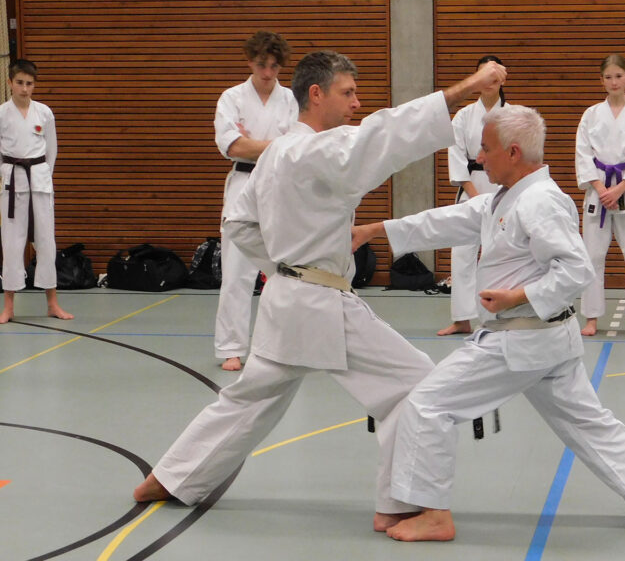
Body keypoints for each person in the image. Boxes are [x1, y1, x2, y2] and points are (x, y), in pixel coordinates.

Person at [133, 51, 508, 533]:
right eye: (347, 92)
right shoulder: (314, 150)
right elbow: (388, 133)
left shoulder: (274, 154)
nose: (356, 102)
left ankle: (168, 478)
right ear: (316, 94)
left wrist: (287, 265)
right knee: (416, 384)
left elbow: (239, 224)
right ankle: (397, 503)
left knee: (250, 399)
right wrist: (466, 88)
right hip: (320, 303)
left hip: (287, 299)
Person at [352, 105, 625, 542]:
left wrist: (517, 296)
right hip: (549, 339)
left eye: (486, 149)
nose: (479, 157)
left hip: (523, 338)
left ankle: (435, 514)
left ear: (513, 152)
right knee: (591, 424)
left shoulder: (539, 201)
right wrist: (377, 229)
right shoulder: (508, 195)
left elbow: (576, 271)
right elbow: (451, 220)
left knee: (427, 405)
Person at [213, 30, 298, 372]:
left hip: (280, 185)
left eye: (274, 66)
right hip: (243, 182)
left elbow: (298, 145)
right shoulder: (231, 98)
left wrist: (258, 143)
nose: (267, 73)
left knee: (288, 267)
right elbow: (232, 147)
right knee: (236, 269)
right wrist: (275, 145)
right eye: (262, 65)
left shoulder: (291, 99)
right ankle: (232, 348)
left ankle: (287, 343)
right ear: (250, 62)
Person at [0, 59, 73, 324]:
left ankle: (52, 302)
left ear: (34, 85)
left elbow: (52, 150)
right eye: (20, 83)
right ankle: (9, 307)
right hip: (13, 179)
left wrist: (44, 174)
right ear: (10, 83)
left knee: (46, 241)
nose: (25, 89)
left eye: (30, 83)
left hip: (39, 177)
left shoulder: (44, 112)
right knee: (11, 243)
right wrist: (5, 176)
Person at [575, 54, 625, 338]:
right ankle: (592, 317)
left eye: (618, 76)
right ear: (601, 81)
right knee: (593, 255)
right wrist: (600, 188)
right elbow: (583, 154)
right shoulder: (591, 114)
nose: (613, 82)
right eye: (608, 77)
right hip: (598, 193)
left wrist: (620, 188)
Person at [437, 55, 506, 337]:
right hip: (471, 187)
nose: (489, 81)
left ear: (502, 79)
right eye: (483, 75)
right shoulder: (464, 116)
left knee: (500, 253)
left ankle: (497, 316)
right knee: (463, 253)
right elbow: (456, 157)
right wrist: (475, 196)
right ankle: (462, 318)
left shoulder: (513, 116)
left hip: (504, 188)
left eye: (493, 75)